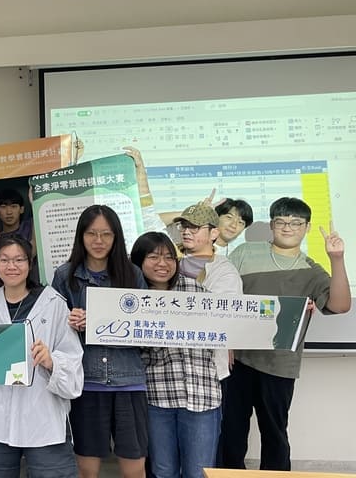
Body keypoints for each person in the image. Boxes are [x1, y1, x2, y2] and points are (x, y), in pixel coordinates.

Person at [219, 197, 351, 471]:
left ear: (307, 227)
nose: (287, 227)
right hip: (237, 360)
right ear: (272, 225)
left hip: (279, 365)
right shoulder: (245, 252)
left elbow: (340, 305)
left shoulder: (310, 270)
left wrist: (336, 259)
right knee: (230, 432)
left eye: (295, 223)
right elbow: (222, 296)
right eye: (280, 221)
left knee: (274, 434)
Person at [0, 234, 83, 478]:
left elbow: (72, 358)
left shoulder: (53, 303)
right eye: (4, 259)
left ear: (30, 264)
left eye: (19, 259)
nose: (12, 266)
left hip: (43, 415)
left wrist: (51, 361)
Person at [50, 205, 148, 478]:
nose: (99, 241)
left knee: (134, 468)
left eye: (106, 234)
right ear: (81, 236)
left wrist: (98, 321)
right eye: (91, 233)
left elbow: (146, 327)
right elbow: (52, 330)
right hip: (86, 382)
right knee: (86, 468)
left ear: (116, 237)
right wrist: (70, 322)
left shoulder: (132, 274)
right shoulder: (65, 275)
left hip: (129, 380)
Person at [131, 232, 221, 478]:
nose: (163, 263)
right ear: (138, 261)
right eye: (154, 257)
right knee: (163, 472)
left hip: (202, 395)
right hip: (157, 397)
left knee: (199, 473)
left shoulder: (195, 290)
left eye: (169, 257)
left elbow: (229, 324)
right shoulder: (130, 298)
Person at [173, 202, 242, 381]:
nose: (186, 231)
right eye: (184, 226)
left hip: (207, 369)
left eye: (194, 227)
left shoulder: (224, 271)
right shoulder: (168, 262)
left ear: (214, 233)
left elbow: (224, 317)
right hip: (170, 368)